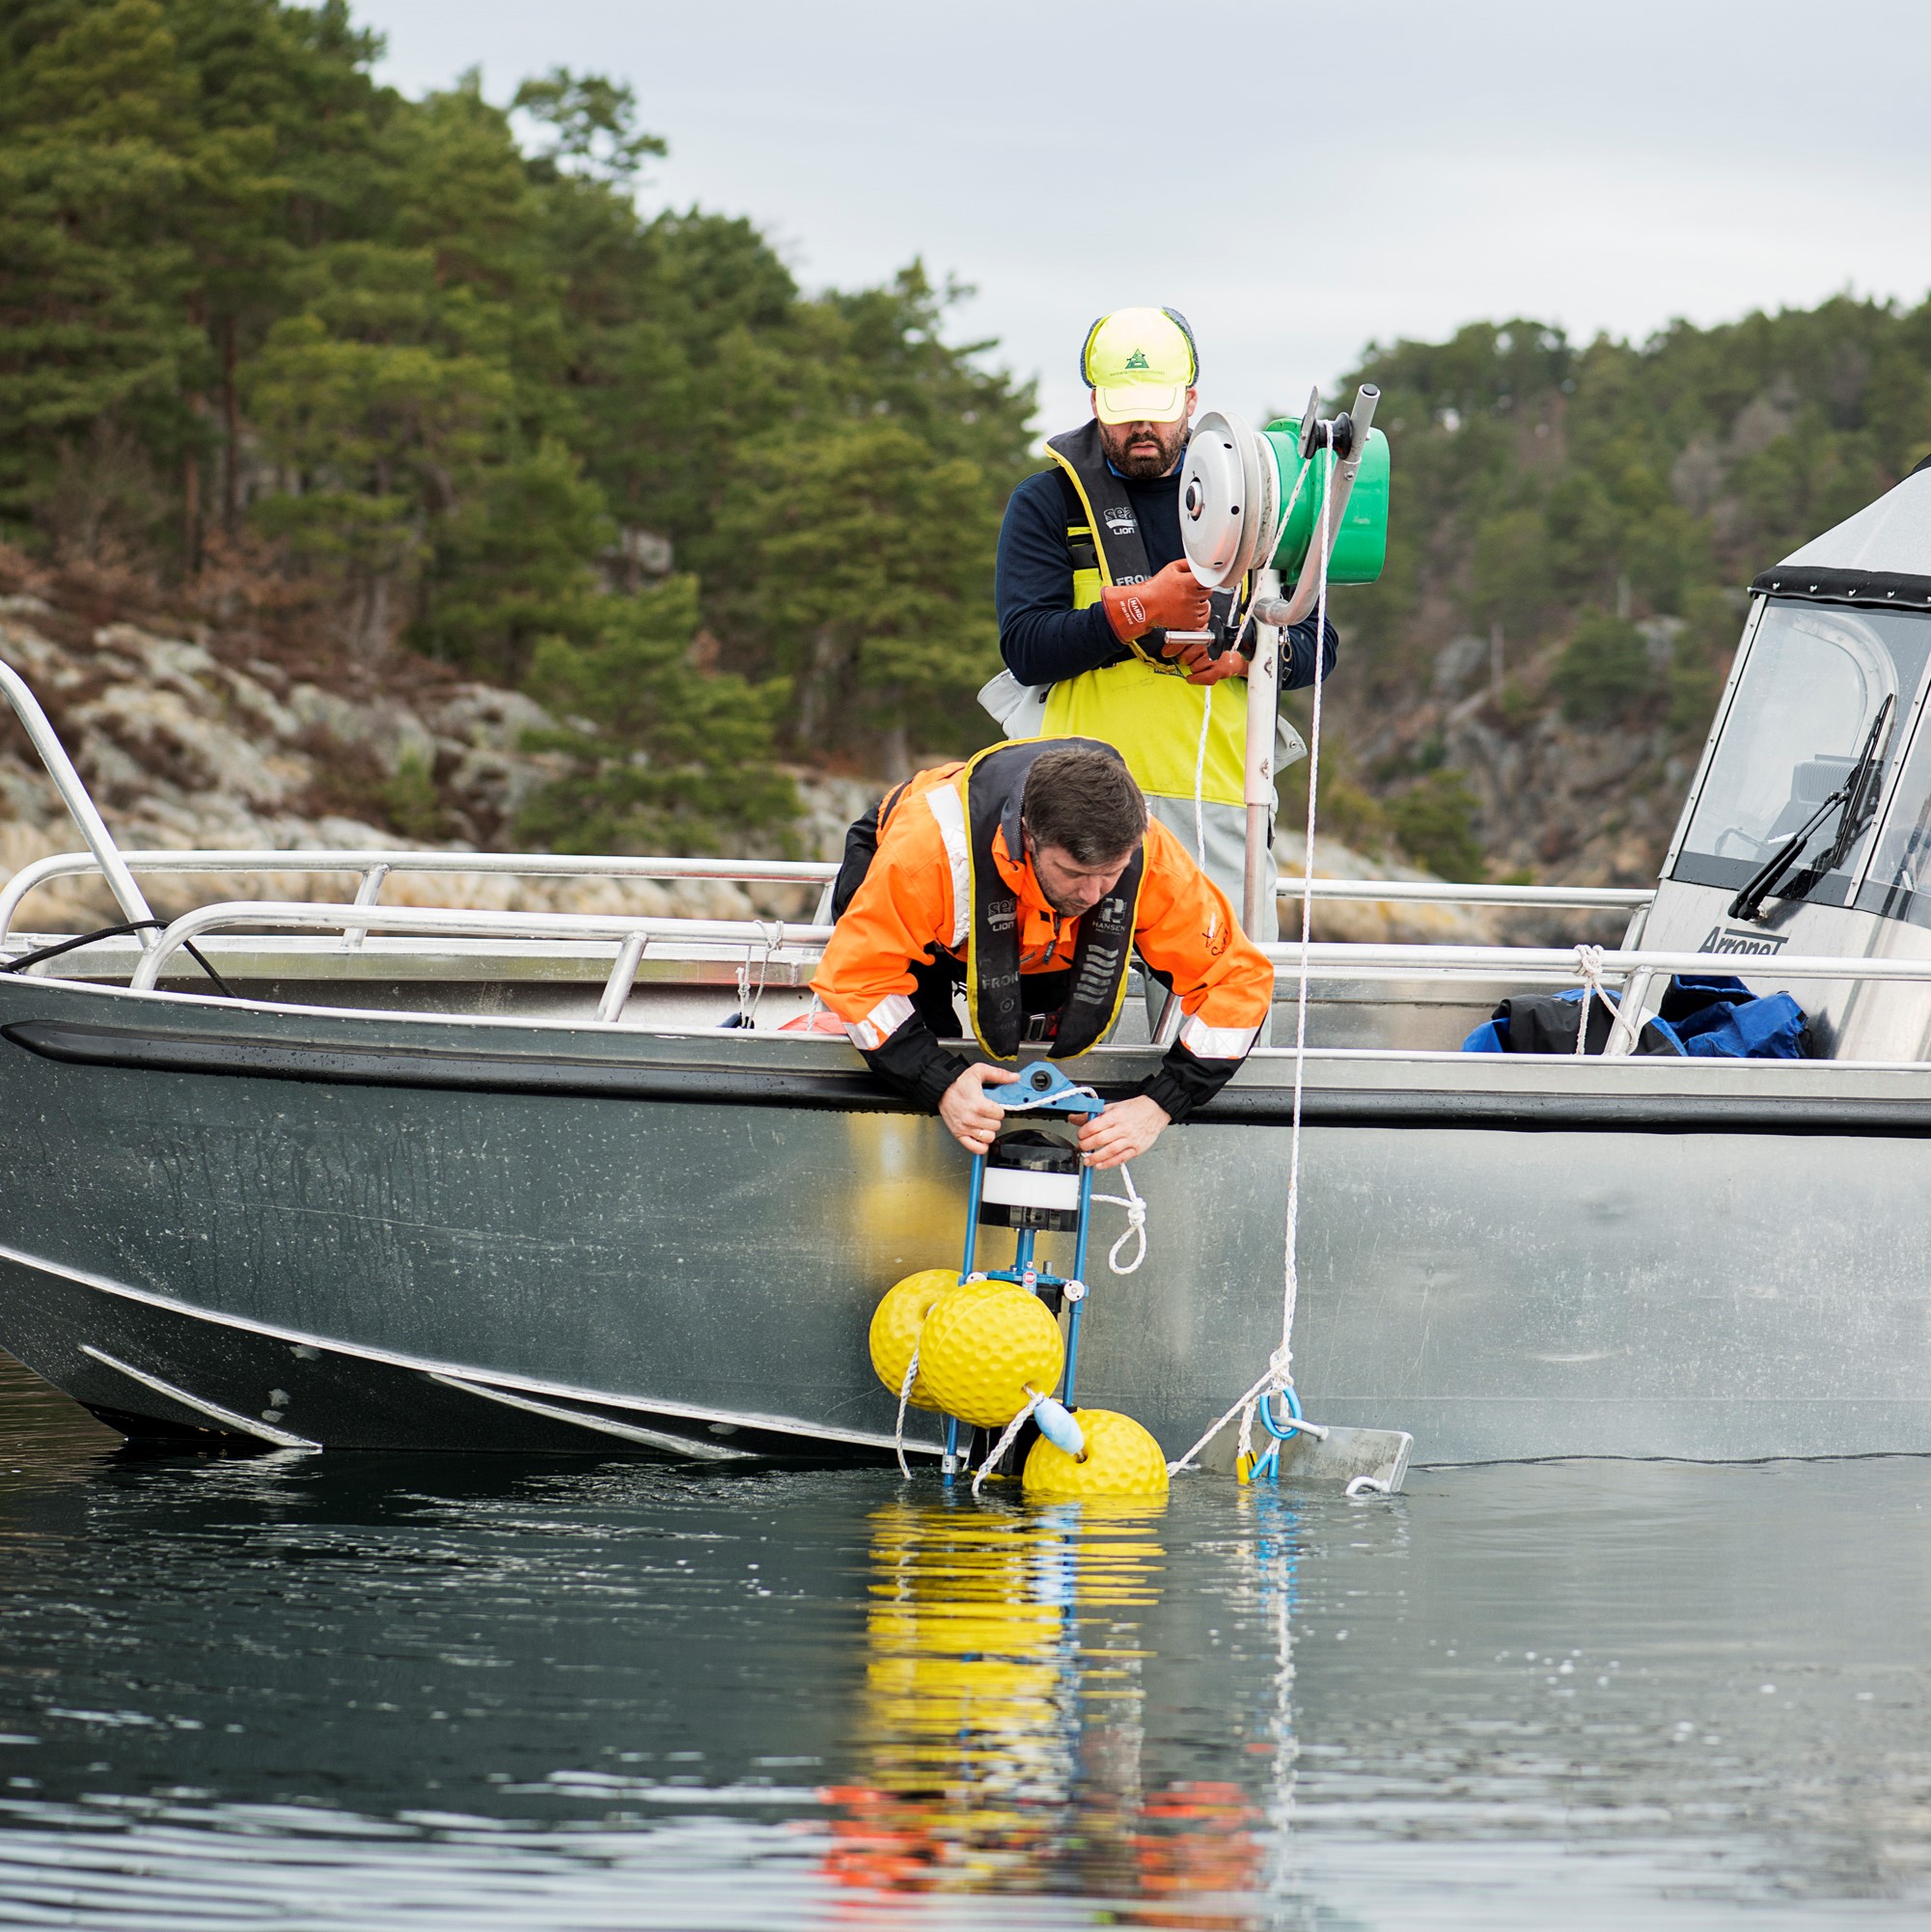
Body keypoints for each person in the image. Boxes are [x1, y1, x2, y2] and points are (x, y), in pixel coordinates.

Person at [992, 306, 1338, 940]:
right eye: (1123, 412)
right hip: (1075, 814)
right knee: (1085, 1028)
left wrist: (1243, 655)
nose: (1141, 426)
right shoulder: (1048, 503)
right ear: (1095, 401)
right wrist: (1139, 610)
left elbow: (1320, 647)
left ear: (1191, 400)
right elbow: (1026, 649)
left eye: (1156, 407)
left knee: (1220, 1016)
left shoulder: (1263, 499)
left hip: (1221, 808)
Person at [812, 738, 1273, 1171]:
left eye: (1111, 873)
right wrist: (940, 1083)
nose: (1094, 894)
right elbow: (857, 979)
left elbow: (1238, 982)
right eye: (1075, 872)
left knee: (1048, 1047)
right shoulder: (925, 857)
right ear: (1028, 838)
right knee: (924, 1055)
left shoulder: (1150, 858)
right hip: (931, 893)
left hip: (1049, 936)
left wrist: (1160, 1105)